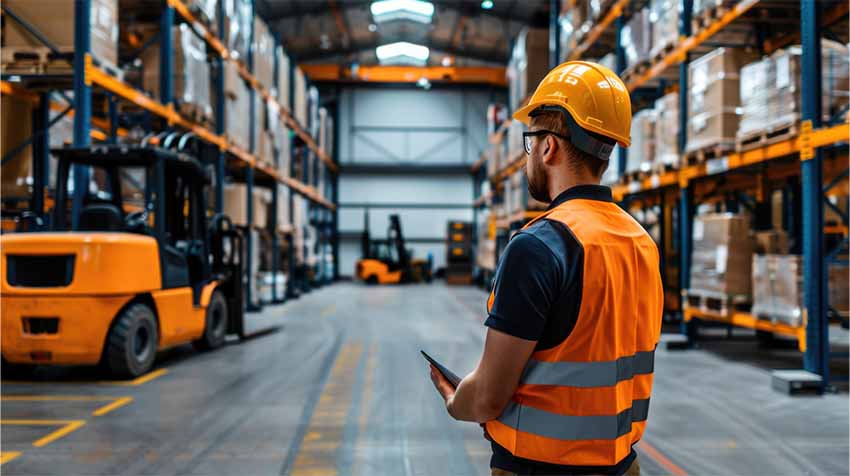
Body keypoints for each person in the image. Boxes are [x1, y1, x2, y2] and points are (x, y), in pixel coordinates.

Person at [428, 61, 663, 476]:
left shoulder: (539, 246)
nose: (527, 157)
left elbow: (487, 398)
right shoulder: (640, 241)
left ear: (549, 147)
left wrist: (455, 400)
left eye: (529, 142)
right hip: (622, 465)